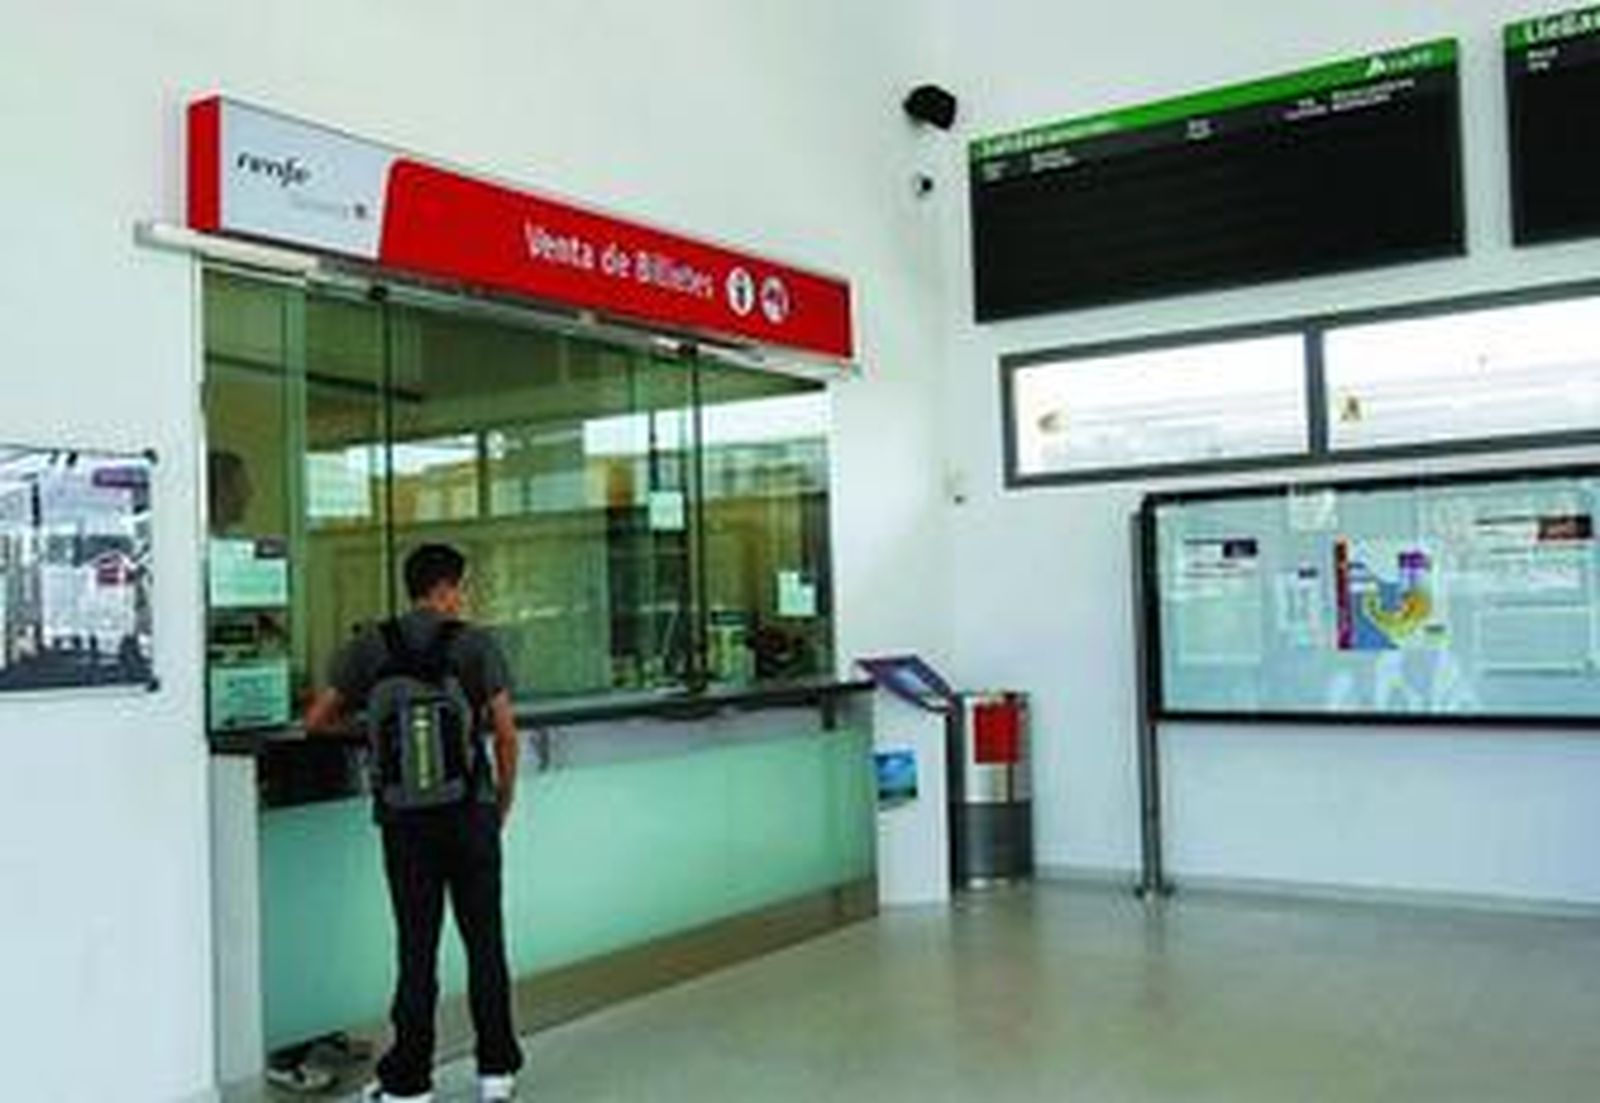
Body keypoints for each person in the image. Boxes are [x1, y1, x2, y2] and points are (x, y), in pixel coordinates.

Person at [306, 543, 524, 1103]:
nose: (464, 598)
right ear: (448, 588)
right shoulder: (475, 644)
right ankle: (495, 1073)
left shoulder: (369, 646)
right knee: (485, 944)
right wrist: (501, 800)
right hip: (469, 813)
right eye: (463, 587)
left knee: (416, 949)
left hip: (405, 822)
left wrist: (377, 738)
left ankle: (408, 1084)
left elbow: (316, 720)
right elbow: (504, 732)